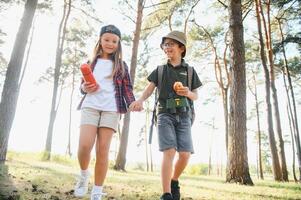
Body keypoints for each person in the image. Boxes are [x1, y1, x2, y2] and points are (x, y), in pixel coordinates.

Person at [130, 31, 202, 200]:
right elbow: (150, 88)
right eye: (165, 44)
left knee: (185, 154)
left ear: (181, 48)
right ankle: (166, 193)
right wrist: (140, 100)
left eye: (171, 44)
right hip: (164, 115)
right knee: (169, 151)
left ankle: (174, 180)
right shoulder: (160, 70)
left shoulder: (190, 71)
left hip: (184, 116)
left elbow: (196, 95)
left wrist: (188, 93)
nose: (167, 47)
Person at [75, 24, 137, 200]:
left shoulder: (121, 66)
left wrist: (133, 103)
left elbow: (128, 90)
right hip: (91, 106)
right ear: (100, 40)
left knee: (103, 149)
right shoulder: (90, 63)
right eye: (107, 39)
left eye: (114, 41)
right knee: (85, 145)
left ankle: (96, 190)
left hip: (111, 109)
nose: (110, 43)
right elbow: (82, 87)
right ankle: (83, 174)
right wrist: (84, 87)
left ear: (118, 44)